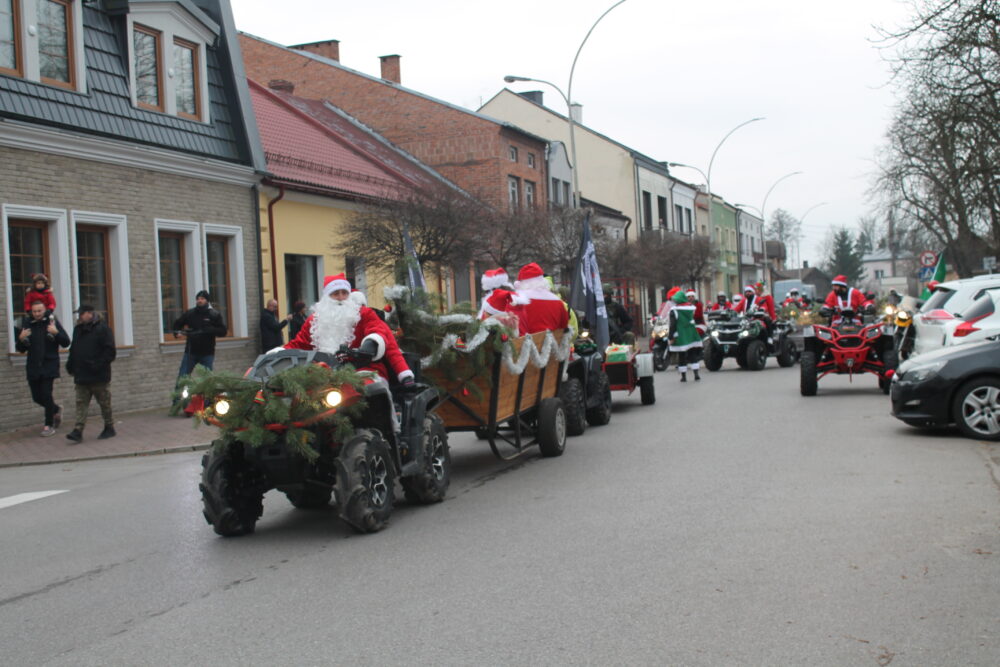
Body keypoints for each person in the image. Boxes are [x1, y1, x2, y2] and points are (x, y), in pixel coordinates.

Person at [284, 273, 414, 384]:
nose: (341, 298)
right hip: (325, 373)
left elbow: (379, 333)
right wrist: (278, 354)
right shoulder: (314, 320)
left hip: (364, 369)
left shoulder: (364, 314)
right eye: (335, 294)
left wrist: (370, 344)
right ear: (327, 297)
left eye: (344, 293)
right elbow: (299, 343)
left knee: (368, 389)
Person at [15, 300, 70, 436]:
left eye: (39, 311)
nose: (37, 314)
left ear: (44, 310)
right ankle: (55, 409)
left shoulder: (52, 322)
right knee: (37, 397)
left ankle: (48, 425)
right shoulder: (28, 324)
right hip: (33, 366)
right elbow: (21, 349)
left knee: (46, 394)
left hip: (49, 365)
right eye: (34, 311)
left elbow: (66, 342)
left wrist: (56, 333)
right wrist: (20, 339)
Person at [65, 305, 117, 442]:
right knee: (81, 403)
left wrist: (98, 365)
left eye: (82, 314)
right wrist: (71, 364)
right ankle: (78, 430)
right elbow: (74, 349)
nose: (80, 317)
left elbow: (110, 351)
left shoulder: (103, 329)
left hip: (98, 375)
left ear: (90, 314)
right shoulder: (78, 330)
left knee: (104, 402)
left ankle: (109, 426)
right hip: (81, 374)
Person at [173, 290, 227, 379]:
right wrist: (177, 333)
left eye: (202, 299)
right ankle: (180, 389)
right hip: (190, 351)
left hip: (207, 353)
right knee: (183, 377)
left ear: (207, 301)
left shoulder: (214, 315)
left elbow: (223, 331)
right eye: (198, 299)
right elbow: (178, 323)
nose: (199, 300)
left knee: (206, 379)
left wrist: (211, 330)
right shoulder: (190, 313)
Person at [505, 263, 569, 335]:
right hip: (552, 341)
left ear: (520, 283)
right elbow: (564, 326)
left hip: (526, 341)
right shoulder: (557, 301)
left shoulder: (516, 301)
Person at [668, 288, 703, 382]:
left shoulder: (674, 310)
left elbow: (672, 325)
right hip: (691, 333)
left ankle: (683, 376)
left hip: (681, 334)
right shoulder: (691, 308)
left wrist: (671, 336)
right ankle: (696, 374)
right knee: (693, 353)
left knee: (682, 355)